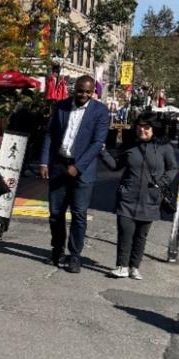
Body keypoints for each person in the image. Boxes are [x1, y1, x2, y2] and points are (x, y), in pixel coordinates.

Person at [40, 74, 110, 273]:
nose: (84, 94)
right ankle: (57, 249)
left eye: (88, 92)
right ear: (75, 89)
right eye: (81, 90)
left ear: (93, 92)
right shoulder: (61, 106)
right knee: (55, 213)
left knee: (78, 214)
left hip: (82, 170)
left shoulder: (100, 111)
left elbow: (98, 143)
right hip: (59, 166)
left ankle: (75, 255)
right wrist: (44, 161)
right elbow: (50, 135)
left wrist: (78, 166)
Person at [107, 116, 178, 280]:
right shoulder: (130, 145)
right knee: (125, 231)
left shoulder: (164, 147)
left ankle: (134, 267)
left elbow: (173, 168)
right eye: (139, 127)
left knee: (140, 235)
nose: (142, 130)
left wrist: (162, 182)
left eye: (146, 127)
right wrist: (102, 151)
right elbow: (115, 165)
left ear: (154, 129)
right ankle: (122, 266)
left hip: (151, 198)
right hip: (127, 196)